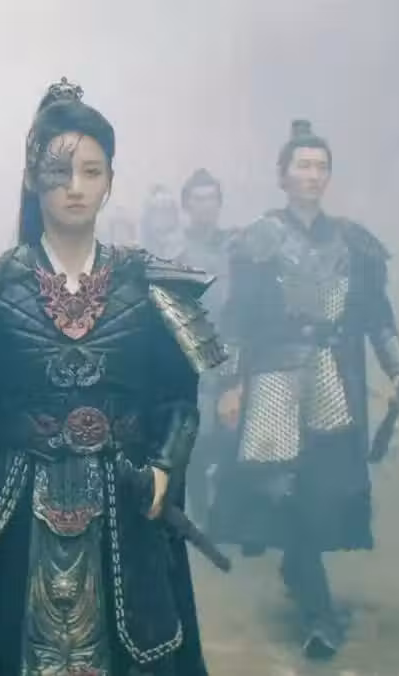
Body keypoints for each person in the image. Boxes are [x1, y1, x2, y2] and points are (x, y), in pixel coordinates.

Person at [0, 78, 224, 676]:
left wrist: (165, 466)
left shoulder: (147, 286)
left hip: (123, 502)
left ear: (110, 179)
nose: (75, 187)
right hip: (18, 499)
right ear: (33, 179)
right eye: (59, 172)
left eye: (91, 171)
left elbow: (178, 401)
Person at [208, 120, 399, 659]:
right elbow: (237, 321)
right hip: (274, 378)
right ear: (283, 176)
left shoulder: (354, 243)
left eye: (321, 167)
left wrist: (397, 369)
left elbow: (377, 316)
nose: (313, 175)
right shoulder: (259, 240)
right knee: (283, 490)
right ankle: (317, 607)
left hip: (333, 380)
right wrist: (230, 385)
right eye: (303, 165)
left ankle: (302, 571)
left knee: (323, 487)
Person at [175, 169, 237, 526]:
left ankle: (228, 512)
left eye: (211, 198)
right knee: (199, 437)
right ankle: (200, 511)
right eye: (198, 199)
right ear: (187, 205)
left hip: (235, 348)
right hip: (193, 352)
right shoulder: (176, 252)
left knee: (234, 435)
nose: (205, 206)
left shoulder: (237, 248)